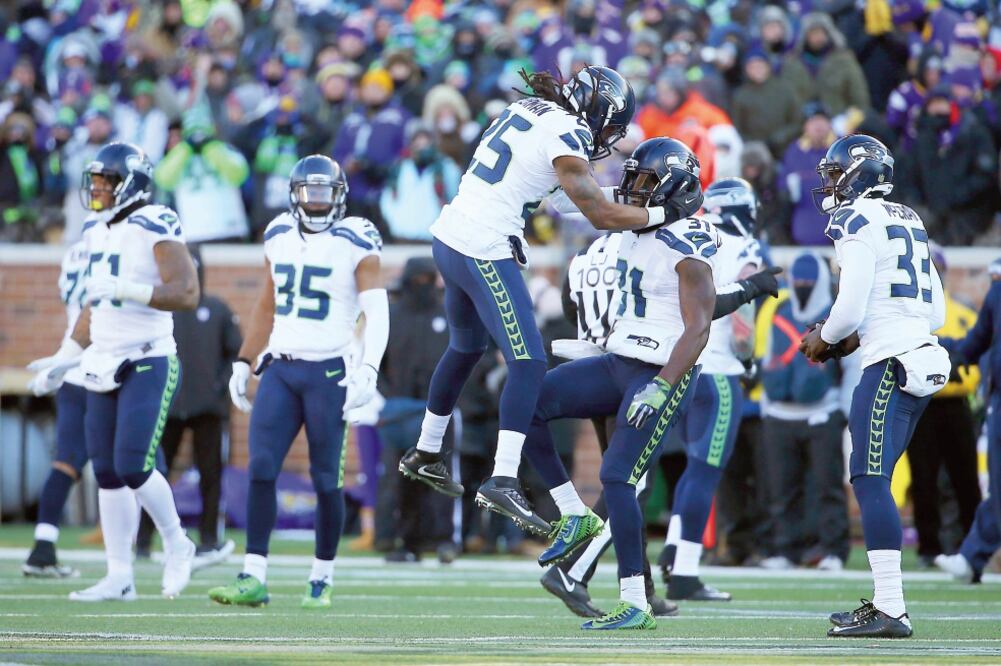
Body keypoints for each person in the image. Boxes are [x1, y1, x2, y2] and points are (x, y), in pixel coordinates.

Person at [399, 66, 674, 538]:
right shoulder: (567, 130)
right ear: (594, 110)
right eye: (610, 124)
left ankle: (425, 450)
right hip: (483, 246)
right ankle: (503, 478)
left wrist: (629, 195)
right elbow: (598, 213)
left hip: (450, 238)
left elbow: (567, 201)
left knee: (465, 348)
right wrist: (663, 209)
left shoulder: (528, 109)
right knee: (528, 362)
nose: (607, 135)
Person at [524, 138, 780, 630]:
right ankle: (570, 512)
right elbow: (572, 198)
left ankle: (636, 602)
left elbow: (698, 325)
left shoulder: (690, 240)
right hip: (617, 359)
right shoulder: (634, 227)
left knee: (619, 478)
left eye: (645, 182)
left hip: (660, 371)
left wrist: (663, 385)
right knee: (528, 402)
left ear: (676, 188)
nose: (633, 190)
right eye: (633, 179)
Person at [208, 155, 388, 609]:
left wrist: (369, 366)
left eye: (324, 192)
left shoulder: (355, 238)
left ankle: (321, 576)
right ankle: (253, 574)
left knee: (326, 478)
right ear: (294, 194)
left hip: (329, 371)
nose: (315, 201)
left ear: (340, 195)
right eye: (309, 192)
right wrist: (243, 359)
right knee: (261, 467)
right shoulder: (277, 234)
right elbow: (267, 305)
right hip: (282, 370)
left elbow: (377, 310)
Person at [801, 134, 949, 638]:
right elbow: (938, 311)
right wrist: (850, 333)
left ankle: (891, 607)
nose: (830, 181)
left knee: (868, 479)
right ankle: (890, 604)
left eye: (836, 171)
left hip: (888, 363)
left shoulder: (855, 219)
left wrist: (826, 336)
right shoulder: (909, 218)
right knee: (875, 478)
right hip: (919, 355)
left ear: (859, 173)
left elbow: (848, 308)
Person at [40, 141, 202, 601]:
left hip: (147, 355)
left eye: (106, 181)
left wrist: (130, 289)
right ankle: (120, 574)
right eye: (94, 181)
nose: (97, 189)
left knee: (134, 465)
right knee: (107, 472)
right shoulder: (95, 229)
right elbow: (95, 304)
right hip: (101, 358)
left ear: (131, 184)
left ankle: (177, 541)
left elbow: (187, 292)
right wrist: (65, 353)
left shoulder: (154, 221)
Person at [659, 178, 763, 601]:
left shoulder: (691, 236)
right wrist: (750, 357)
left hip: (681, 366)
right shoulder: (745, 246)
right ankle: (684, 572)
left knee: (690, 468)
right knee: (705, 471)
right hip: (719, 369)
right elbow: (741, 325)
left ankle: (672, 547)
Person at [135, 247, 242, 568]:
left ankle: (209, 538)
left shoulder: (218, 309)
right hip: (167, 406)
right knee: (153, 474)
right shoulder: (160, 311)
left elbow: (235, 355)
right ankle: (143, 540)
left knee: (211, 474)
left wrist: (217, 389)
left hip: (208, 409)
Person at [757, 252, 850, 571]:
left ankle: (832, 550)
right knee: (782, 489)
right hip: (780, 414)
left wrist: (846, 407)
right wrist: (767, 405)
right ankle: (786, 549)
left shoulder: (835, 316)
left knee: (827, 487)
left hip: (822, 412)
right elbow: (769, 354)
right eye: (798, 281)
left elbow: (850, 366)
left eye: (810, 281)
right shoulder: (780, 311)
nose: (803, 286)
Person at [908, 244, 982, 566]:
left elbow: (975, 363)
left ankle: (971, 543)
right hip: (922, 403)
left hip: (955, 405)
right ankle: (929, 547)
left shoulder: (963, 314)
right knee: (923, 478)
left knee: (965, 477)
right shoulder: (909, 314)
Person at [22, 240, 90, 578]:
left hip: (73, 369)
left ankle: (43, 546)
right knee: (137, 462)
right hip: (107, 366)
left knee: (66, 462)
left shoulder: (74, 252)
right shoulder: (123, 239)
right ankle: (167, 543)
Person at [935, 259, 1001, 584]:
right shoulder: (996, 294)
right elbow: (975, 343)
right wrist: (943, 350)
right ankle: (972, 556)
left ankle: (973, 555)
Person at [779, 103, 836, 246]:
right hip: (803, 224)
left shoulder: (840, 148)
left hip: (837, 224)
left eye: (822, 120)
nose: (818, 125)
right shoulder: (794, 151)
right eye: (812, 121)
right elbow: (783, 185)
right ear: (805, 127)